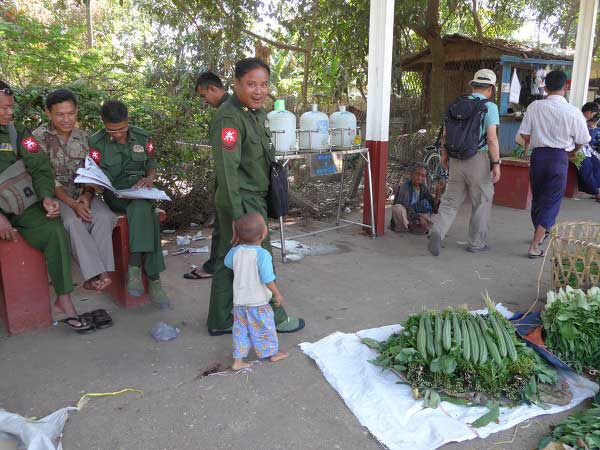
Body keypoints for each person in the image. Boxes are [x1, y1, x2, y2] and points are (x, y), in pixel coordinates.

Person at [207, 57, 304, 336]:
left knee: (230, 258)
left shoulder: (257, 113)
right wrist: (238, 218)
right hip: (242, 201)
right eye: (251, 84)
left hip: (255, 198)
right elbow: (227, 173)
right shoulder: (229, 117)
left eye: (263, 84)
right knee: (262, 259)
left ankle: (220, 319)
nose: (259, 90)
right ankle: (276, 317)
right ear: (236, 84)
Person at [0, 81, 92, 333]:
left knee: (54, 230)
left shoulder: (18, 134)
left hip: (21, 204)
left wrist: (45, 197)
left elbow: (40, 168)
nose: (9, 113)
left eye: (10, 108)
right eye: (3, 109)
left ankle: (64, 298)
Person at [33, 89, 117, 291]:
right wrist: (72, 204)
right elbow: (44, 176)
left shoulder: (85, 138)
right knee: (71, 221)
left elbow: (93, 171)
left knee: (105, 216)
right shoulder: (38, 137)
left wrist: (87, 197)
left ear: (76, 111)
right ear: (49, 113)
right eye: (60, 114)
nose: (66, 119)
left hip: (82, 194)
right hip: (54, 196)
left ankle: (99, 273)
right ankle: (96, 274)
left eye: (70, 113)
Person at [89, 100, 170, 308]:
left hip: (141, 191)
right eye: (112, 131)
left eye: (122, 129)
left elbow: (151, 163)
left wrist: (150, 178)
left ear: (128, 120)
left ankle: (137, 270)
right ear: (104, 124)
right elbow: (95, 174)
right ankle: (154, 280)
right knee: (146, 212)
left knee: (144, 209)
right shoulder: (96, 142)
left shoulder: (143, 137)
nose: (118, 134)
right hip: (116, 194)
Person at [428, 68, 501, 256]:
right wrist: (496, 163)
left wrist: (444, 156)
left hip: (455, 159)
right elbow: (492, 138)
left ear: (473, 85)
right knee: (481, 201)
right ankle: (476, 243)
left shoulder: (457, 103)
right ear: (491, 89)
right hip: (478, 159)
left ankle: (437, 231)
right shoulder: (489, 107)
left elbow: (445, 134)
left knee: (450, 201)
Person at [518, 70, 590, 258]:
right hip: (559, 158)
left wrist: (538, 137)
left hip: (539, 157)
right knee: (552, 201)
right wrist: (573, 151)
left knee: (539, 197)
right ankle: (535, 245)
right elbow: (583, 138)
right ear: (566, 87)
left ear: (546, 86)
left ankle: (539, 232)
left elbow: (524, 134)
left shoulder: (535, 106)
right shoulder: (573, 112)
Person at [225, 212, 289, 370]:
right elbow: (268, 279)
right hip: (258, 302)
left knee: (241, 329)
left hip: (240, 302)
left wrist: (236, 244)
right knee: (265, 329)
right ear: (263, 234)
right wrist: (277, 293)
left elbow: (227, 263)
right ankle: (272, 353)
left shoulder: (236, 251)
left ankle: (238, 361)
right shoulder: (262, 254)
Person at [182, 72, 230, 281]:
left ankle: (214, 267)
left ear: (212, 89)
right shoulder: (233, 108)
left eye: (203, 96)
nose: (204, 101)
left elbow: (227, 156)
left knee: (223, 227)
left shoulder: (226, 113)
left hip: (230, 180)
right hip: (233, 179)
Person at [390, 162, 442, 233]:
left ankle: (417, 226)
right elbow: (406, 207)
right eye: (417, 174)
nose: (420, 177)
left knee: (438, 214)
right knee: (398, 208)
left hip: (416, 216)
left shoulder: (423, 188)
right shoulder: (404, 187)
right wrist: (418, 217)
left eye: (423, 176)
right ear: (411, 174)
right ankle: (410, 226)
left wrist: (437, 194)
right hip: (407, 217)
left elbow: (432, 206)